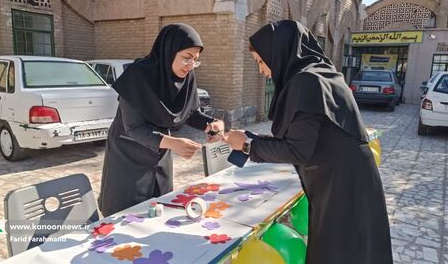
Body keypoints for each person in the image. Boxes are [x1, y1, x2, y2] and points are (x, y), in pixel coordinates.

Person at [227, 20, 393, 264]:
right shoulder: (322, 73)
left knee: (337, 254)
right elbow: (304, 138)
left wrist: (247, 145)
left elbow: (297, 150)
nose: (262, 70)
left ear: (281, 53)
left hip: (341, 188)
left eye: (261, 61)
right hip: (350, 180)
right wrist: (250, 139)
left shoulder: (306, 82)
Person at [99, 23, 224, 217]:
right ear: (169, 51)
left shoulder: (187, 77)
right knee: (125, 214)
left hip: (161, 150)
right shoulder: (138, 76)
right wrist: (173, 143)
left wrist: (212, 124)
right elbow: (134, 128)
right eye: (186, 59)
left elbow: (189, 112)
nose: (190, 66)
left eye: (195, 60)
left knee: (160, 206)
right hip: (128, 154)